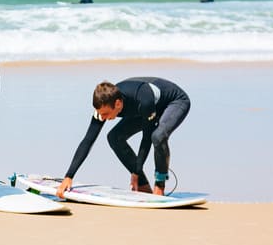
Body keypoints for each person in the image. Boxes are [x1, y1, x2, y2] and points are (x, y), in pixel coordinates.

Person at [55, 78, 191, 198]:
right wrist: (69, 176)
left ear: (118, 104)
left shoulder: (144, 99)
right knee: (114, 137)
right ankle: (143, 185)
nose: (103, 118)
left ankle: (159, 186)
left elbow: (146, 139)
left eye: (105, 114)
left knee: (157, 136)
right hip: (144, 109)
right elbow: (88, 140)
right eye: (100, 114)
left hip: (174, 102)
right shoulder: (105, 104)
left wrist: (135, 172)